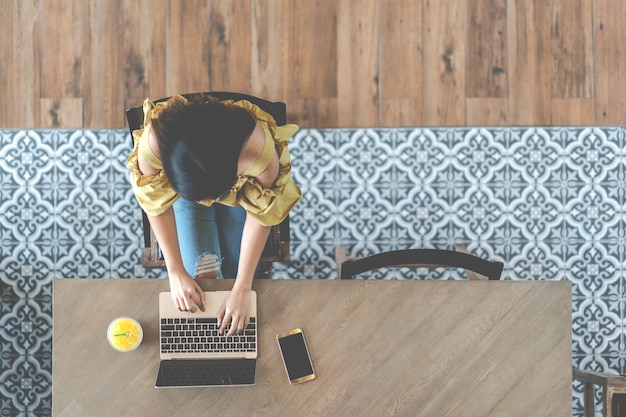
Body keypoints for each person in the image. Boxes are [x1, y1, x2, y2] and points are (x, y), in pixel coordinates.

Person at [126, 94, 301, 335]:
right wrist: (175, 269)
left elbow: (262, 213)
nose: (205, 203)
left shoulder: (258, 151)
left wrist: (242, 288)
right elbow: (156, 204)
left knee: (231, 276)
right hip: (185, 193)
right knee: (205, 280)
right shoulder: (157, 142)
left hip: (241, 195)